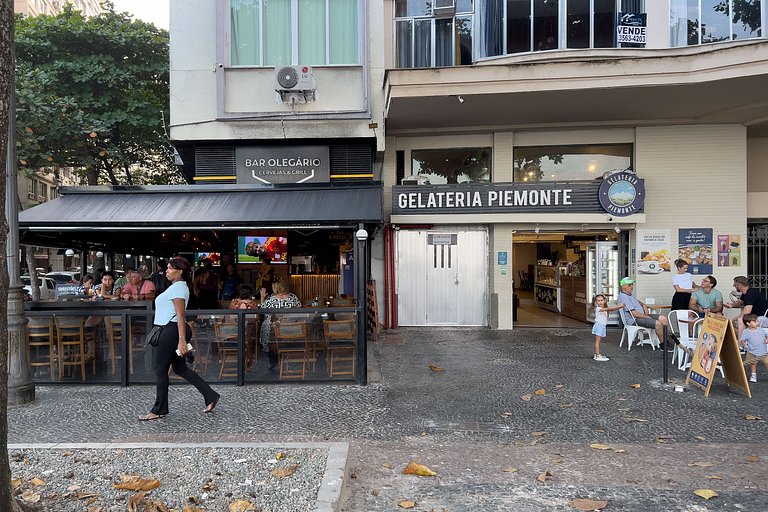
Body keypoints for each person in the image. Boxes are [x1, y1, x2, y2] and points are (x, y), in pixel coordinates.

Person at [139, 256, 220, 421]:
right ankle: (210, 395)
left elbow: (181, 315)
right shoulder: (177, 287)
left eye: (169, 268)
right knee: (180, 368)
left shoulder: (178, 289)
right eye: (167, 268)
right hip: (171, 331)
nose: (166, 271)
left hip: (170, 331)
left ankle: (159, 409)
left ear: (180, 271)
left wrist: (182, 340)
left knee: (160, 369)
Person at [259, 280, 302, 370]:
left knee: (265, 328)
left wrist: (262, 298)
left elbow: (262, 310)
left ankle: (273, 357)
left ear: (276, 288)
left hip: (275, 330)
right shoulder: (293, 297)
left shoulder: (271, 299)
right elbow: (300, 309)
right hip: (292, 329)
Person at [617, 277, 670, 343]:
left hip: (642, 316)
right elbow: (634, 314)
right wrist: (647, 317)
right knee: (658, 323)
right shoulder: (624, 297)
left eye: (632, 284)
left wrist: (643, 305)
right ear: (623, 286)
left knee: (664, 319)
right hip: (635, 320)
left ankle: (666, 341)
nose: (632, 286)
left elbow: (637, 301)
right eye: (629, 285)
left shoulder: (629, 295)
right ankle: (664, 345)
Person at [591, 294, 624, 362]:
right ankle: (598, 355)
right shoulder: (599, 309)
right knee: (598, 341)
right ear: (596, 302)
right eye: (598, 301)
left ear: (605, 301)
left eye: (601, 300)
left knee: (599, 341)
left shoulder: (603, 308)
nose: (600, 302)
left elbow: (612, 309)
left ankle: (596, 354)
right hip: (599, 326)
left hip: (602, 326)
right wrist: (620, 306)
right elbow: (610, 308)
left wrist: (620, 307)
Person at [739, 313, 768, 383]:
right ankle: (753, 375)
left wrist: (767, 339)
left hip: (763, 351)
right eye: (755, 322)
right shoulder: (746, 332)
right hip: (752, 351)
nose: (757, 323)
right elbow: (743, 340)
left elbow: (767, 335)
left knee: (767, 363)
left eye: (757, 321)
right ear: (748, 323)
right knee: (753, 363)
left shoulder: (761, 330)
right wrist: (745, 346)